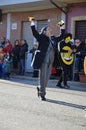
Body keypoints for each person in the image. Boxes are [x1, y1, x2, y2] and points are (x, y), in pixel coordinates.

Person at [29, 17, 65, 101]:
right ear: (44, 31)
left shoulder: (53, 38)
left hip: (51, 61)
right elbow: (34, 33)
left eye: (50, 30)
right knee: (42, 77)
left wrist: (62, 26)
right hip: (43, 61)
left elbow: (62, 36)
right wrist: (32, 23)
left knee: (46, 78)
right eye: (48, 29)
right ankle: (42, 94)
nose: (50, 31)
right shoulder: (41, 38)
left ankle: (40, 88)